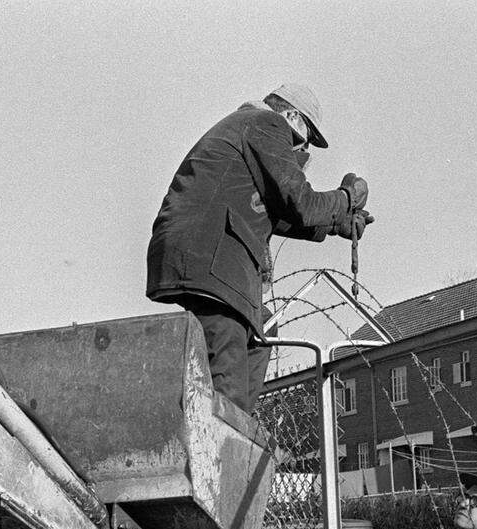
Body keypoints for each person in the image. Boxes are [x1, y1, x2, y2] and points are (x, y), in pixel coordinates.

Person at [147, 83, 374, 411]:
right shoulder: (267, 124)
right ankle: (223, 444)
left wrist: (337, 223)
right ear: (292, 116)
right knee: (227, 374)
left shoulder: (245, 129)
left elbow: (278, 211)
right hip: (213, 261)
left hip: (202, 255)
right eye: (303, 139)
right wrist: (346, 199)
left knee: (262, 330)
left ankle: (240, 432)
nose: (301, 149)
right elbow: (300, 203)